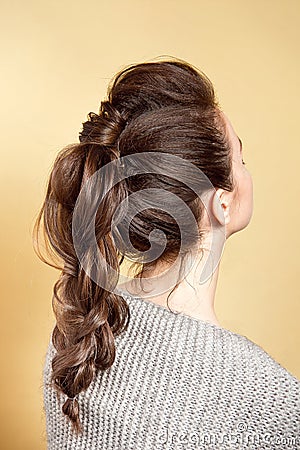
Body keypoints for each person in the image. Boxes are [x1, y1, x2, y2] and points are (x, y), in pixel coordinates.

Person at [35, 57, 300, 449]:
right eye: (241, 159)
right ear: (223, 204)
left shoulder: (75, 347)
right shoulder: (271, 400)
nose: (246, 170)